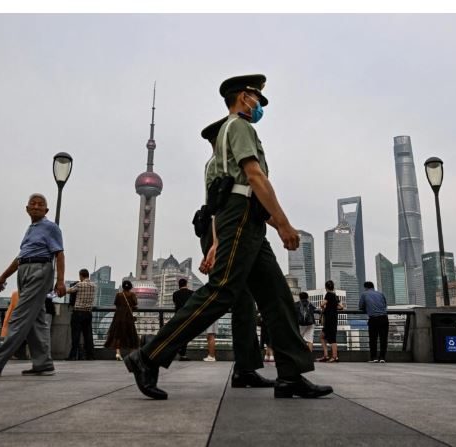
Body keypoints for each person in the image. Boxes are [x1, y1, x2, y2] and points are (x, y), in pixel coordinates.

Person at [123, 74, 332, 400]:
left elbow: (239, 195)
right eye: (257, 98)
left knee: (277, 295)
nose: (260, 105)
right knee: (222, 290)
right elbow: (253, 177)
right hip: (242, 217)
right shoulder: (239, 127)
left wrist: (273, 224)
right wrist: (284, 223)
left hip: (250, 221)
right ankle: (149, 355)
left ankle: (291, 375)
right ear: (243, 97)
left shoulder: (234, 133)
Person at [197, 118, 272, 387]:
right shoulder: (215, 166)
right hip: (219, 229)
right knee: (229, 294)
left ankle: (246, 367)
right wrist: (216, 246)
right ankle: (245, 369)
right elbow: (217, 208)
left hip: (228, 228)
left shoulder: (224, 163)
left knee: (244, 301)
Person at [0, 193, 65, 376]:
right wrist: (3, 276)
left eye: (40, 205)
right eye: (33, 204)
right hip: (25, 269)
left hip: (39, 270)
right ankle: (43, 364)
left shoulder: (51, 227)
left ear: (46, 210)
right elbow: (21, 257)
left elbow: (59, 254)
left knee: (20, 316)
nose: (36, 207)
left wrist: (60, 281)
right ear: (27, 208)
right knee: (36, 321)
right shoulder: (31, 229)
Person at [66, 268, 97, 360]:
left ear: (81, 275)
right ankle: (90, 356)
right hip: (88, 313)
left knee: (76, 335)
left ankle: (73, 356)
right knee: (88, 335)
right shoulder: (94, 285)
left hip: (78, 312)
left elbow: (68, 291)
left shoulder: (79, 284)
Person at [104, 280, 139, 361]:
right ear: (130, 287)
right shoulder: (132, 295)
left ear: (123, 287)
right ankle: (131, 355)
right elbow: (135, 304)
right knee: (131, 335)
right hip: (128, 318)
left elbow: (116, 304)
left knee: (118, 335)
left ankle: (118, 353)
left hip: (118, 317)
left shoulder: (118, 295)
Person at [359, 281, 389, 363]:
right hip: (384, 318)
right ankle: (382, 358)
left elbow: (360, 306)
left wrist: (368, 307)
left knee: (373, 339)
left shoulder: (364, 294)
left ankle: (374, 358)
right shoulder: (380, 294)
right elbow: (385, 305)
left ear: (365, 287)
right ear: (373, 287)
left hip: (373, 319)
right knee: (383, 339)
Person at [319, 280, 344, 363]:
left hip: (329, 319)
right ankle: (326, 355)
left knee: (332, 338)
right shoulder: (335, 296)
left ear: (326, 287)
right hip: (334, 318)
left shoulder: (328, 294)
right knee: (322, 336)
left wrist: (325, 307)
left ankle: (334, 357)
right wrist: (333, 308)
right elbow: (341, 307)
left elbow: (322, 304)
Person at [172, 278, 193, 361]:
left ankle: (178, 351)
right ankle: (183, 354)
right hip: (188, 316)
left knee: (178, 334)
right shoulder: (191, 293)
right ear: (186, 284)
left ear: (179, 285)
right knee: (186, 335)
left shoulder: (175, 294)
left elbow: (175, 303)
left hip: (178, 316)